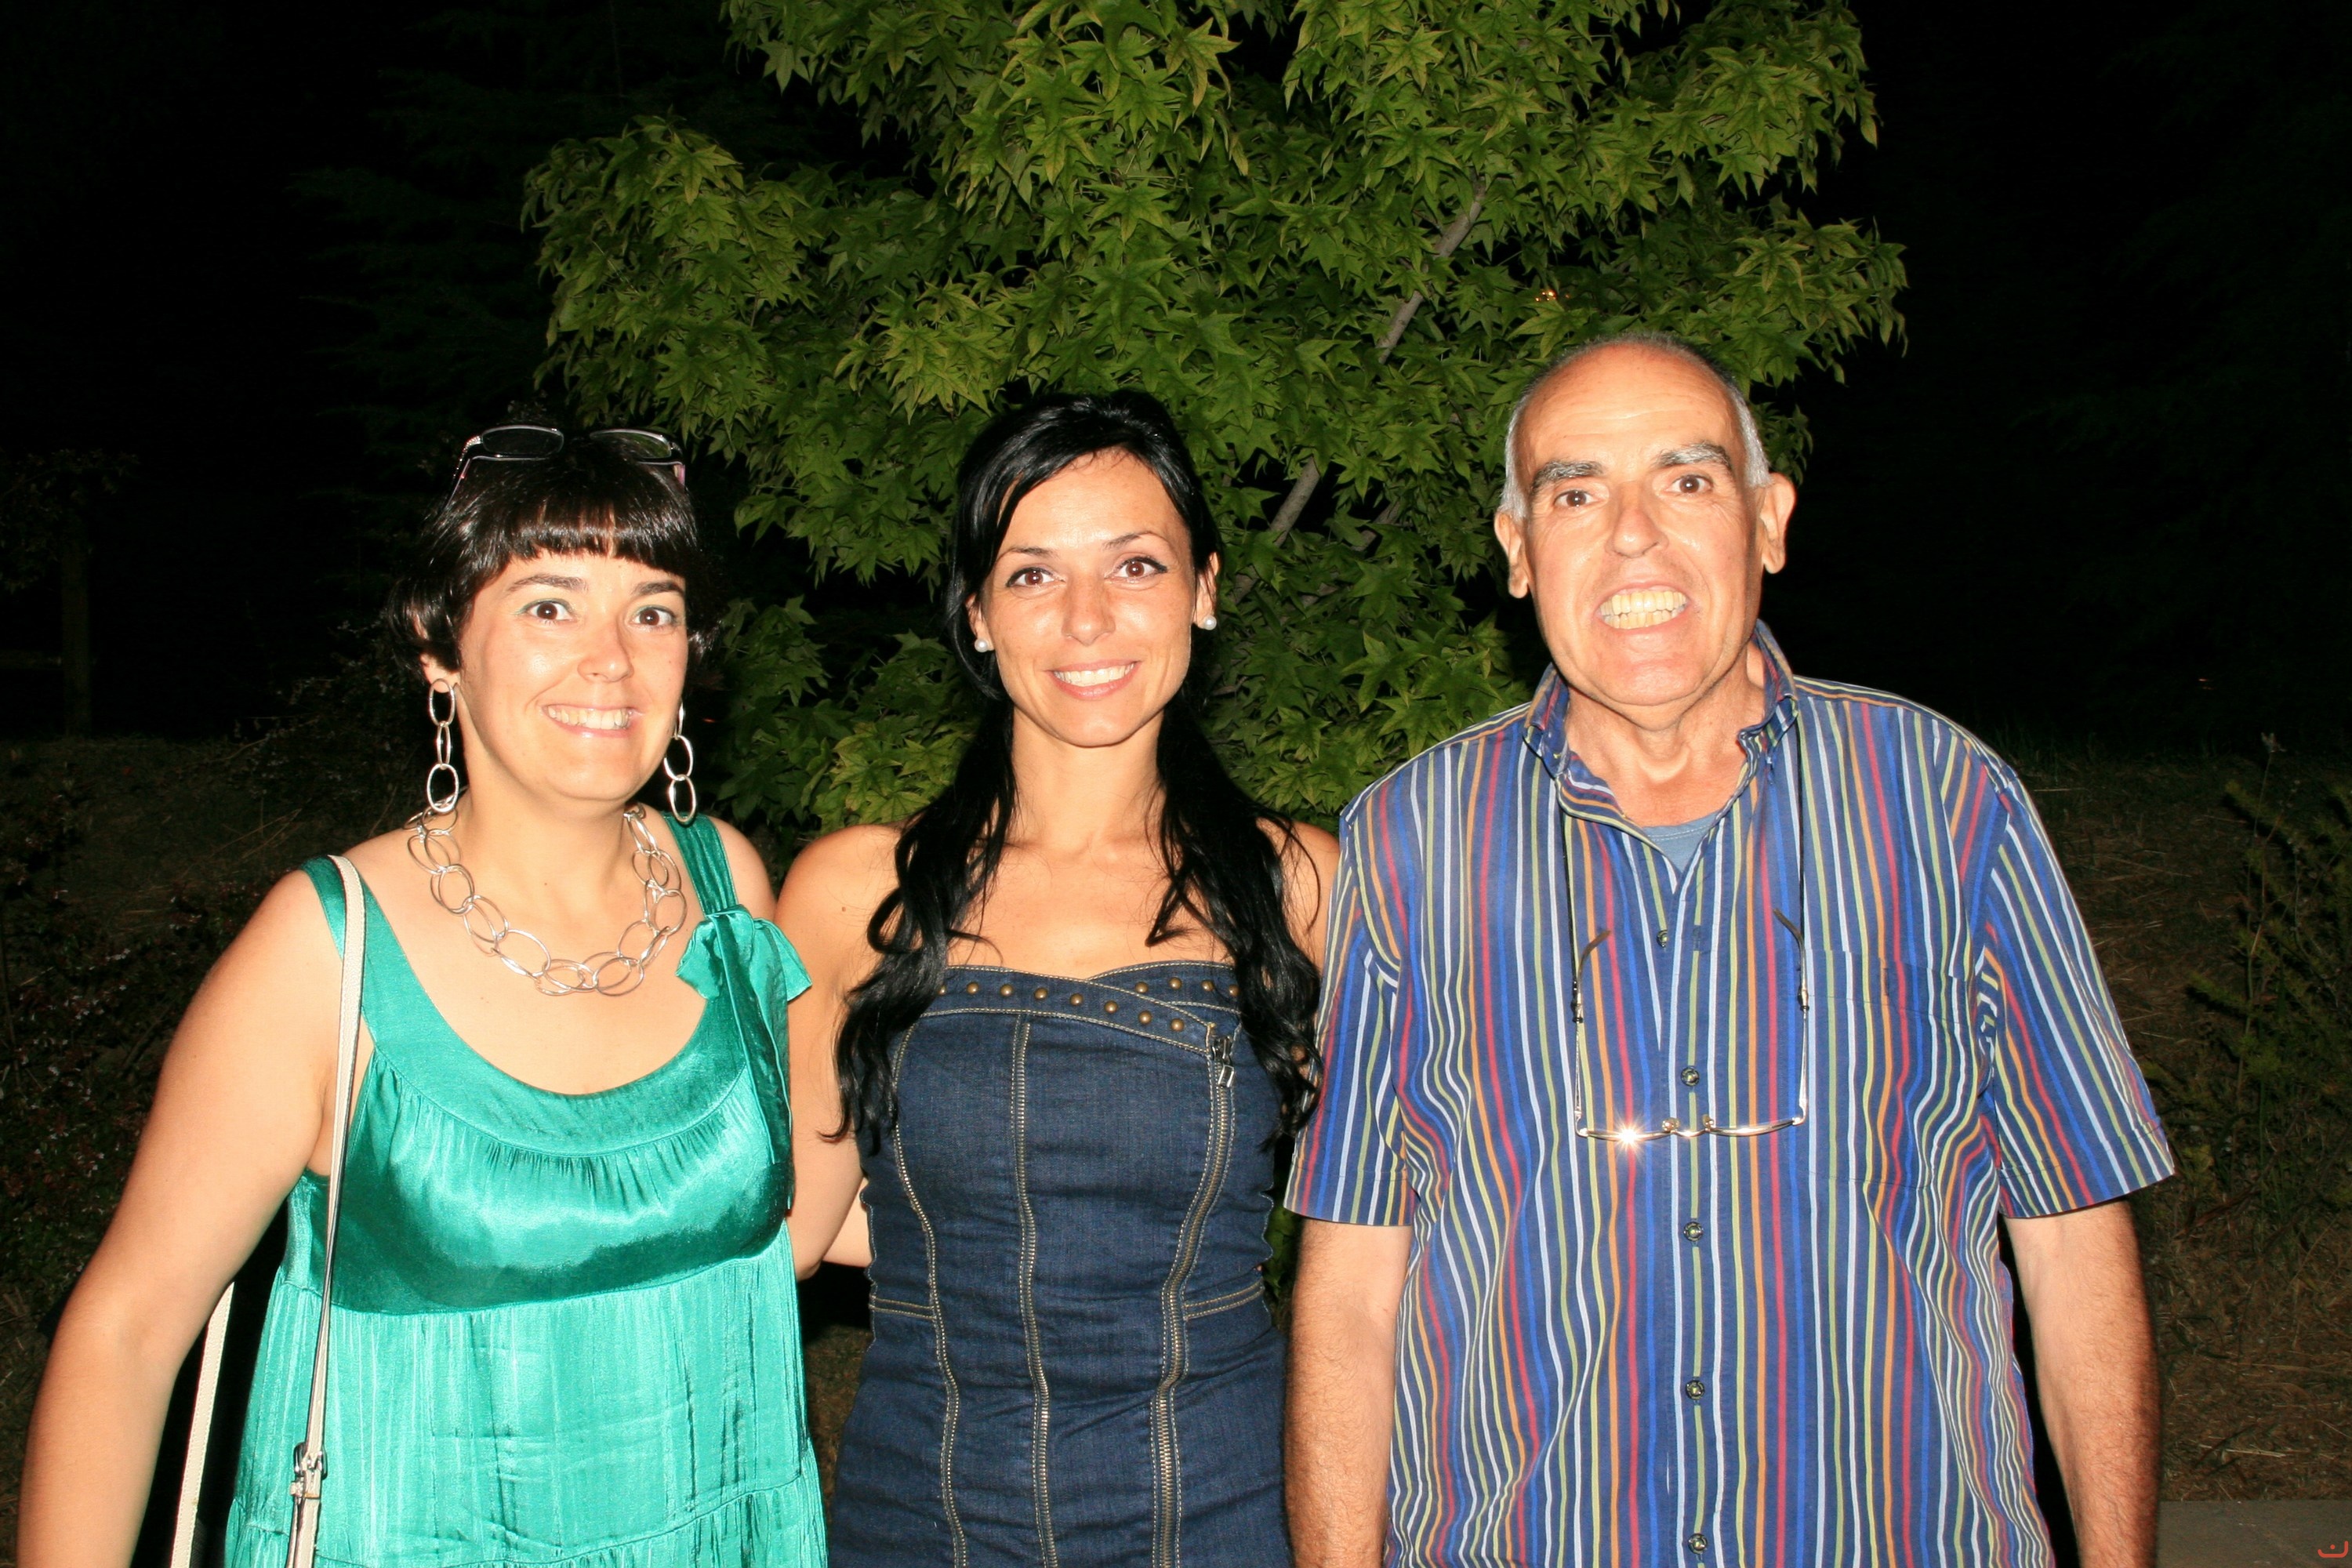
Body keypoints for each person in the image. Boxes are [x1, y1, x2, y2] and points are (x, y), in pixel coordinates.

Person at [1283, 333, 2175, 1568]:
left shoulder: (1947, 802)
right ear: (1517, 547)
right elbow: (1350, 1286)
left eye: (1688, 480)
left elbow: (2075, 1239)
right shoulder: (1410, 839)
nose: (1633, 535)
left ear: (1769, 521)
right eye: (1576, 494)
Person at [16, 428, 826, 1567]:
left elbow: (802, 1224)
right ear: (439, 647)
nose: (612, 661)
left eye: (653, 611)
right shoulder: (327, 950)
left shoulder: (727, 886)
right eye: (550, 607)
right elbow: (127, 1332)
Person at [779, 390, 1338, 1568]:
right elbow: (795, 1232)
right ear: (976, 614)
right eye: (1033, 575)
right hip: (921, 1518)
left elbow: (1391, 1235)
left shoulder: (1303, 888)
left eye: (1136, 565)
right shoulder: (857, 893)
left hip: (1223, 1513)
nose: (1088, 618)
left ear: (1204, 589)